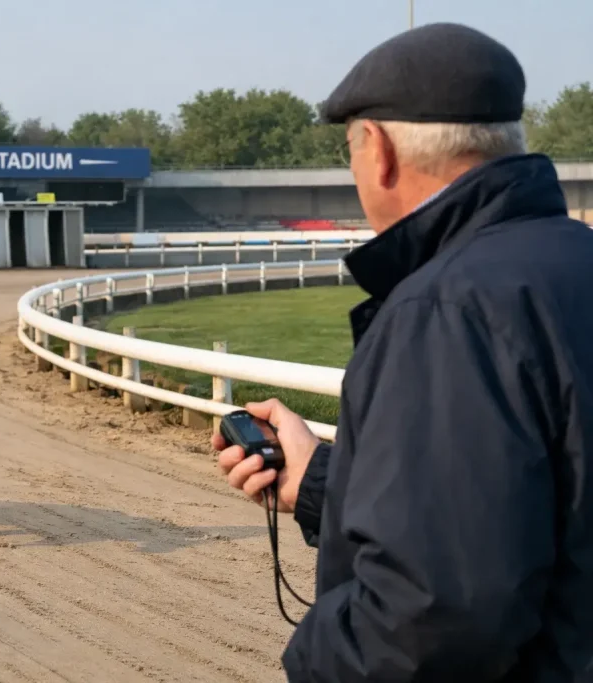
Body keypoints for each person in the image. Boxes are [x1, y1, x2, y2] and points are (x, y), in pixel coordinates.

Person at [212, 22, 593, 682]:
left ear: (379, 152)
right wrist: (318, 485)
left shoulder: (446, 307)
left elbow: (434, 618)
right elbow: (525, 502)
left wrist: (312, 660)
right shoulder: (570, 260)